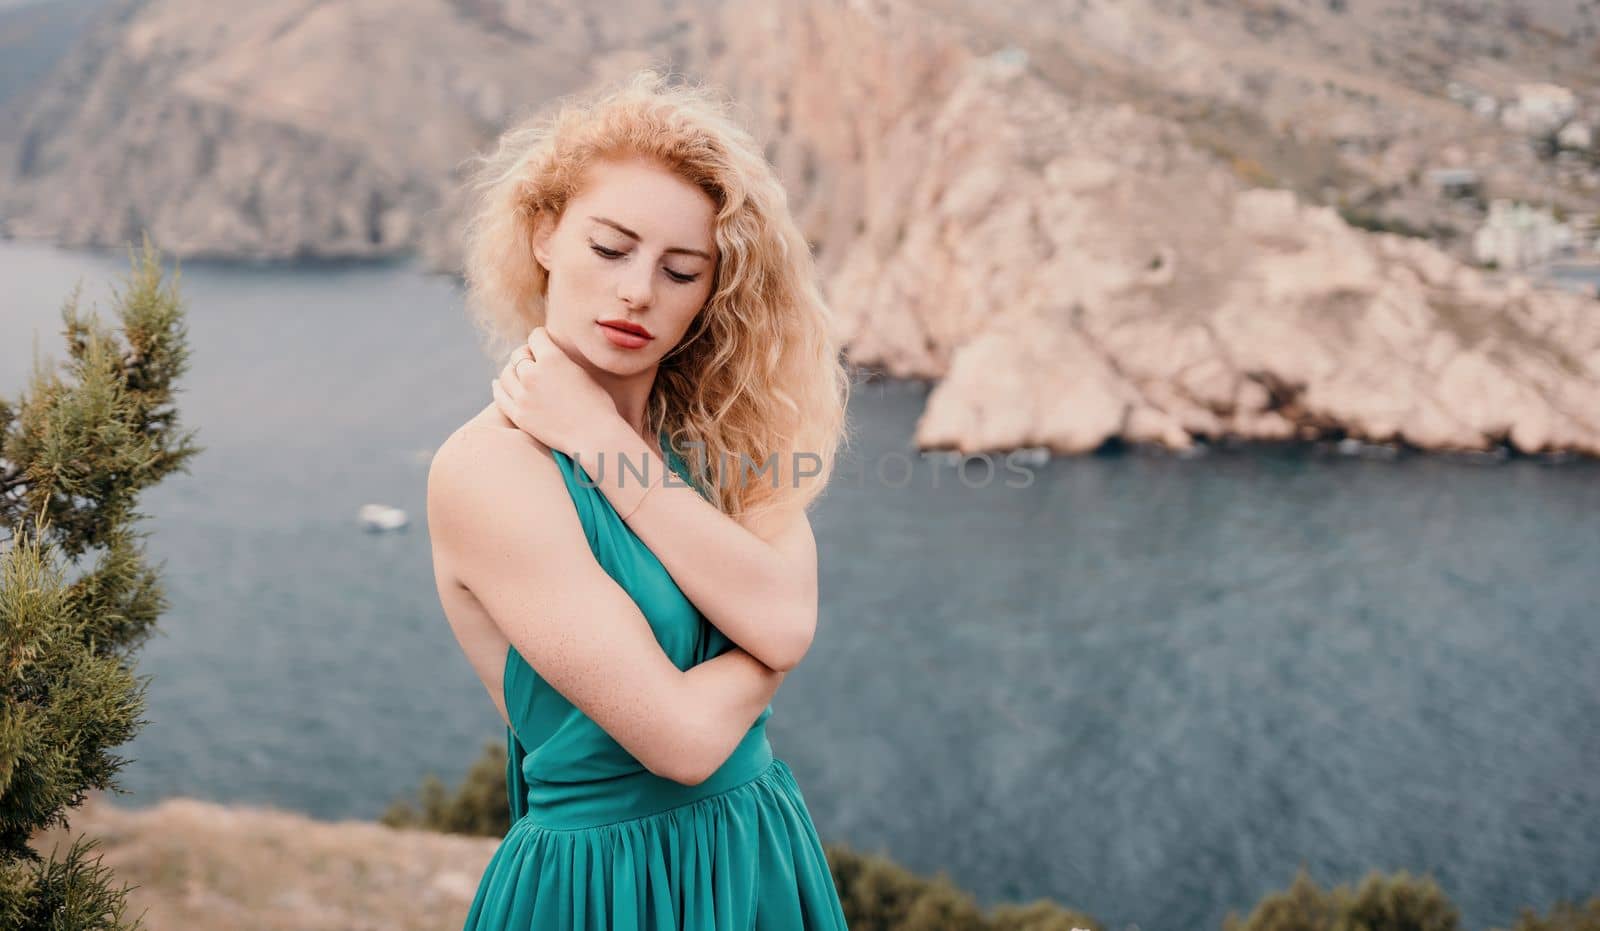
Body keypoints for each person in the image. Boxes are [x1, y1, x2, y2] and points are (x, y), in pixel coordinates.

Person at [426, 68, 853, 930]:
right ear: (544, 235)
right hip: (603, 888)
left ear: (711, 293)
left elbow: (784, 618)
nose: (637, 292)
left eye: (682, 270)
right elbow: (685, 740)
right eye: (610, 248)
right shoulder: (489, 470)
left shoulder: (732, 433)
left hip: (758, 850)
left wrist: (602, 438)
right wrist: (772, 650)